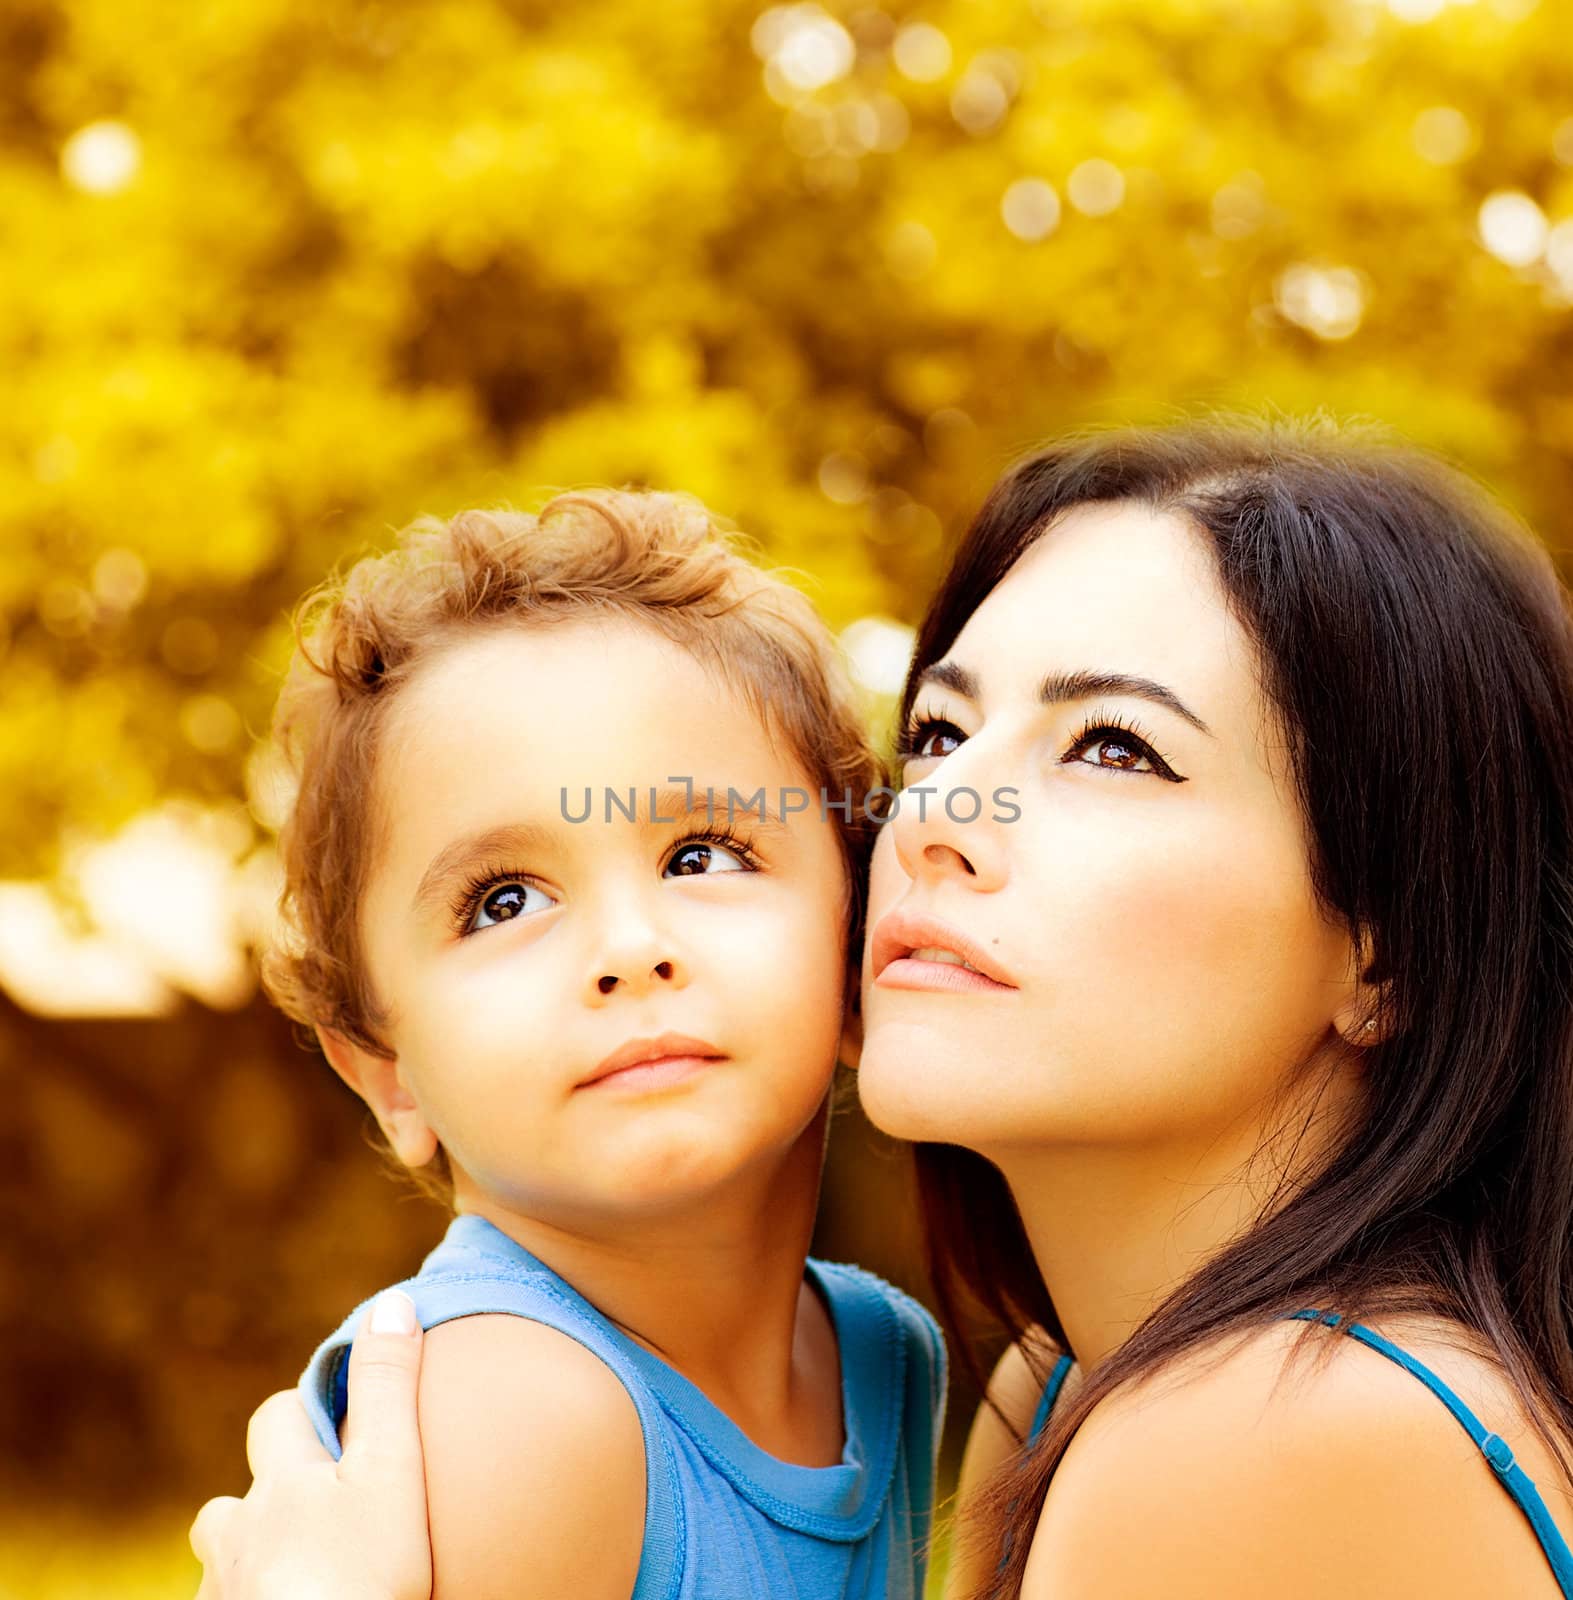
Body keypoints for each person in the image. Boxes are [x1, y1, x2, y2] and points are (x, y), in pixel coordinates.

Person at [193, 417, 1573, 1599]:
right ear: (382, 1067)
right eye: (937, 737)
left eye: (1111, 745)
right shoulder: (1049, 1389)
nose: (938, 823)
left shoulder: (1269, 1432)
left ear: (1387, 942)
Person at [191, 488, 945, 1600]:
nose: (629, 949)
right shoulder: (515, 1407)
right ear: (391, 1075)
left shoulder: (883, 1357)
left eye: (703, 855)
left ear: (852, 952)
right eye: (502, 900)